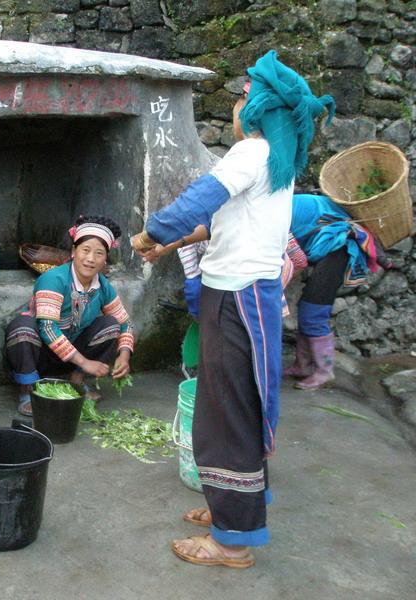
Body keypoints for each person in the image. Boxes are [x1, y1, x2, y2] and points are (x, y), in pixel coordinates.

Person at [132, 51, 335, 568]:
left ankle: (233, 542)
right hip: (249, 294)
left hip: (237, 298)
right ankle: (233, 509)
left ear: (261, 105)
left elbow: (197, 201)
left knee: (228, 415)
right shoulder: (280, 162)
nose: (238, 102)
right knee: (235, 406)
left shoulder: (253, 153)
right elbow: (225, 220)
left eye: (244, 96)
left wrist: (151, 232)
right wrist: (170, 245)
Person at [5, 215, 134, 416]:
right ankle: (28, 388)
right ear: (74, 251)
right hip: (41, 354)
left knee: (111, 325)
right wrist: (85, 362)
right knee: (22, 327)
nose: (91, 259)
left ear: (105, 258)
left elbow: (125, 323)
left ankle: (76, 381)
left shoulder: (103, 286)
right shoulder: (54, 279)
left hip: (72, 355)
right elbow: (47, 328)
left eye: (99, 253)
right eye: (85, 250)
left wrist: (124, 355)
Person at [283, 193, 383, 390]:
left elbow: (299, 261)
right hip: (327, 241)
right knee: (307, 307)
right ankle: (303, 365)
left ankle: (324, 371)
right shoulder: (272, 206)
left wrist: (279, 287)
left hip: (339, 244)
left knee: (313, 309)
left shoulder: (271, 215)